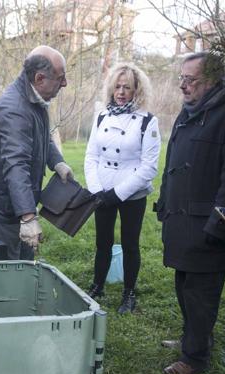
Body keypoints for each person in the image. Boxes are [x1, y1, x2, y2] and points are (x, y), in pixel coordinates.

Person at [153, 51, 225, 374]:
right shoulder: (191, 111)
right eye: (181, 79)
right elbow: (173, 164)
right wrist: (164, 202)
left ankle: (195, 357)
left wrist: (221, 221)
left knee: (201, 294)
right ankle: (194, 338)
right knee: (184, 286)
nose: (182, 86)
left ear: (212, 80)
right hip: (181, 220)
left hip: (208, 222)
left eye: (190, 80)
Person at [0, 45, 73, 260]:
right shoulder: (14, 111)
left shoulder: (35, 99)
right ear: (40, 78)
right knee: (10, 268)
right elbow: (16, 166)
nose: (65, 83)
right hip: (5, 209)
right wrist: (28, 217)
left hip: (19, 203)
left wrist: (57, 162)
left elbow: (42, 136)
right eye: (60, 78)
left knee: (25, 261)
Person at [83, 62, 161, 314]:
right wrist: (97, 190)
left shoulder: (147, 121)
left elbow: (149, 168)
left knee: (130, 244)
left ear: (136, 90)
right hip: (102, 192)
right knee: (102, 243)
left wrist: (118, 194)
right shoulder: (101, 116)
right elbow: (91, 156)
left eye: (127, 87)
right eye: (117, 86)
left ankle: (129, 293)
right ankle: (97, 285)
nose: (121, 92)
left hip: (132, 192)